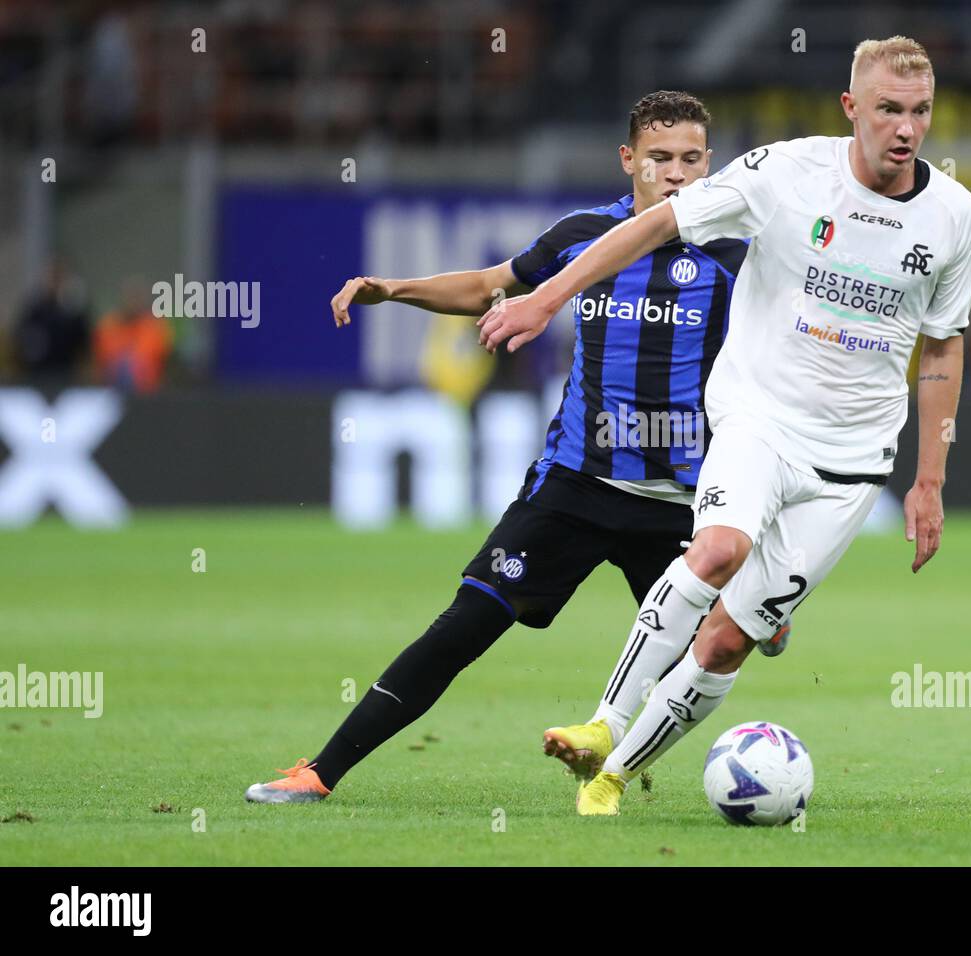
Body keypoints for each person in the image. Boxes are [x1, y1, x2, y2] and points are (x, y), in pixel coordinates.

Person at [479, 36, 971, 816]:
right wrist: (549, 295)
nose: (906, 128)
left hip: (851, 462)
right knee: (718, 547)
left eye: (919, 112)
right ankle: (604, 725)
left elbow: (944, 345)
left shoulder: (954, 216)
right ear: (852, 109)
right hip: (758, 418)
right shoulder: (785, 173)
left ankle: (612, 777)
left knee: (726, 640)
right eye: (888, 110)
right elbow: (653, 225)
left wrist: (929, 481)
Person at [244, 90, 763, 803]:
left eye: (691, 160)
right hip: (577, 484)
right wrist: (393, 289)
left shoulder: (741, 254)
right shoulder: (584, 234)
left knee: (725, 644)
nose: (676, 174)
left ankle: (613, 757)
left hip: (685, 504)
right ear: (628, 160)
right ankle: (319, 772)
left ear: (711, 163)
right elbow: (491, 286)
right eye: (659, 159)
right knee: (465, 623)